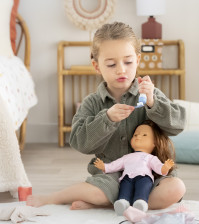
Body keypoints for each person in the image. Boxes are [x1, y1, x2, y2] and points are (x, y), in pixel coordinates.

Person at [26, 22, 186, 211]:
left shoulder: (150, 94)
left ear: (138, 60)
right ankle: (56, 197)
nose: (121, 70)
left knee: (176, 188)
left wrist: (153, 103)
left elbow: (178, 125)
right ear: (97, 66)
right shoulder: (92, 103)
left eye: (128, 62)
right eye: (111, 64)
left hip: (150, 173)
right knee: (98, 191)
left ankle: (114, 202)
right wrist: (106, 119)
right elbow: (79, 142)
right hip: (112, 175)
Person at [94, 120, 175, 215]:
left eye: (144, 135)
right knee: (124, 189)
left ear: (154, 143)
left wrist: (164, 167)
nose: (138, 136)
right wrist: (104, 167)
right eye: (135, 135)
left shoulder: (150, 158)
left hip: (144, 178)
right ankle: (122, 203)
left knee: (143, 188)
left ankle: (140, 203)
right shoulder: (127, 157)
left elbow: (158, 167)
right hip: (127, 178)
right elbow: (115, 165)